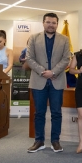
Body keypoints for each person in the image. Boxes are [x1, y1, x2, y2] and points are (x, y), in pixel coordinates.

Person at [26, 13, 70, 153]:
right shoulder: (33, 38)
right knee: (39, 113)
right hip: (39, 80)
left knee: (56, 112)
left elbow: (66, 59)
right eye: (48, 22)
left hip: (57, 81)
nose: (51, 25)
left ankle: (55, 141)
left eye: (54, 22)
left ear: (57, 24)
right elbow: (29, 58)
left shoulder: (64, 39)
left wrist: (53, 72)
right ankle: (39, 141)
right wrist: (44, 71)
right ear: (43, 23)